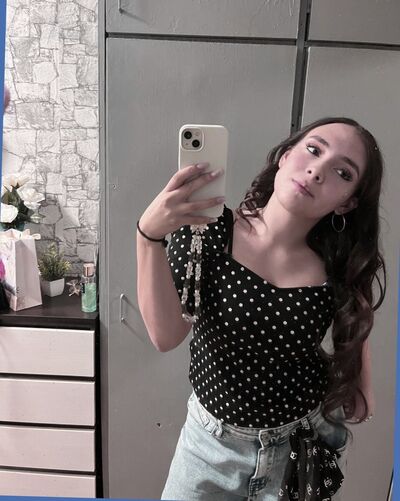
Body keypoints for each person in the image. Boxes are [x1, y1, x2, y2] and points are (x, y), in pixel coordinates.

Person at [136, 117, 386, 501]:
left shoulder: (339, 267)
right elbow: (165, 336)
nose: (317, 171)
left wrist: (359, 387)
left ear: (347, 202)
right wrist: (148, 236)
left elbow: (360, 401)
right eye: (313, 150)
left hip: (301, 449)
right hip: (210, 448)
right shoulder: (209, 230)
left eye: (343, 172)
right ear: (285, 156)